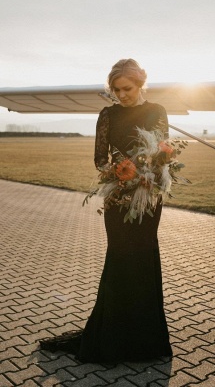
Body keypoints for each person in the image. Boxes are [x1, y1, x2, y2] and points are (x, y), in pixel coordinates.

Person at [40, 58, 173, 363]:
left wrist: (146, 174)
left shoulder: (157, 111)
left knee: (143, 258)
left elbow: (162, 154)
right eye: (116, 89)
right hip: (117, 197)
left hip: (148, 198)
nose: (121, 94)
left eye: (126, 88)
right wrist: (117, 172)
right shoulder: (107, 115)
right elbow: (99, 159)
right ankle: (112, 337)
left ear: (140, 83)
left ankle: (146, 341)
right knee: (120, 258)